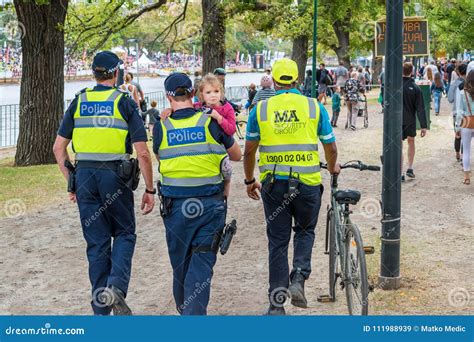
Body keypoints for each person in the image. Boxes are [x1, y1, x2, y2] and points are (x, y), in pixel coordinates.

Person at [52, 51, 155, 315]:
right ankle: (117, 289)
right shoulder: (124, 101)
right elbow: (142, 151)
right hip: (115, 176)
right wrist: (149, 189)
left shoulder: (79, 101)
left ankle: (100, 309)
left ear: (95, 73)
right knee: (124, 233)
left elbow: (58, 149)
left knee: (96, 243)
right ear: (116, 72)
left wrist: (71, 181)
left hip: (85, 177)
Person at [243, 58, 340, 315]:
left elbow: (249, 150)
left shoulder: (260, 110)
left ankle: (276, 305)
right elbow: (330, 146)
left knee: (277, 241)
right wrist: (332, 167)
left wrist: (249, 179)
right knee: (305, 231)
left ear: (274, 81)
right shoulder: (313, 107)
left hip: (274, 185)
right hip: (307, 184)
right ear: (297, 81)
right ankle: (298, 279)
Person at [152, 73, 241, 315]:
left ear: (168, 97)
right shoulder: (210, 122)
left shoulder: (161, 127)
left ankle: (186, 312)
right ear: (194, 94)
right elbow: (236, 155)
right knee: (201, 263)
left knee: (180, 264)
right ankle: (193, 316)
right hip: (210, 206)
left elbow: (161, 159)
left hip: (175, 208)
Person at [401, 62, 428, 181]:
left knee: (398, 145)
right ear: (412, 72)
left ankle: (400, 172)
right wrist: (423, 126)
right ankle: (410, 168)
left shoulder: (395, 86)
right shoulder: (416, 88)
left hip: (397, 120)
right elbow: (420, 108)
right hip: (410, 120)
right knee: (411, 142)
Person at [455, 70, 474, 184]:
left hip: (466, 123)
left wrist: (457, 129)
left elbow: (459, 113)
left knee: (466, 150)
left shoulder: (463, 93)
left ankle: (466, 176)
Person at [448, 63, 467, 162]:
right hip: (469, 113)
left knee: (458, 134)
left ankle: (457, 154)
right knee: (466, 136)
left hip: (457, 112)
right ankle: (464, 155)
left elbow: (450, 99)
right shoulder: (470, 83)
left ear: (458, 72)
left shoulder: (455, 84)